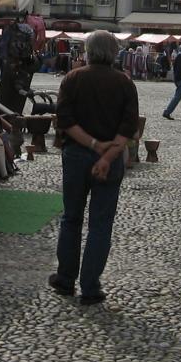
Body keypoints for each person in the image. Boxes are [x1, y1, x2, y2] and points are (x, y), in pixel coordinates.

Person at [50, 30, 138, 305]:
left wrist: (93, 145)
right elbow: (129, 127)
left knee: (72, 218)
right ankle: (90, 286)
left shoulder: (73, 79)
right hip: (109, 160)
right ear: (114, 52)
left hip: (77, 154)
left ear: (87, 50)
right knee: (101, 224)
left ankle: (65, 279)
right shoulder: (124, 83)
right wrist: (107, 156)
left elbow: (64, 120)